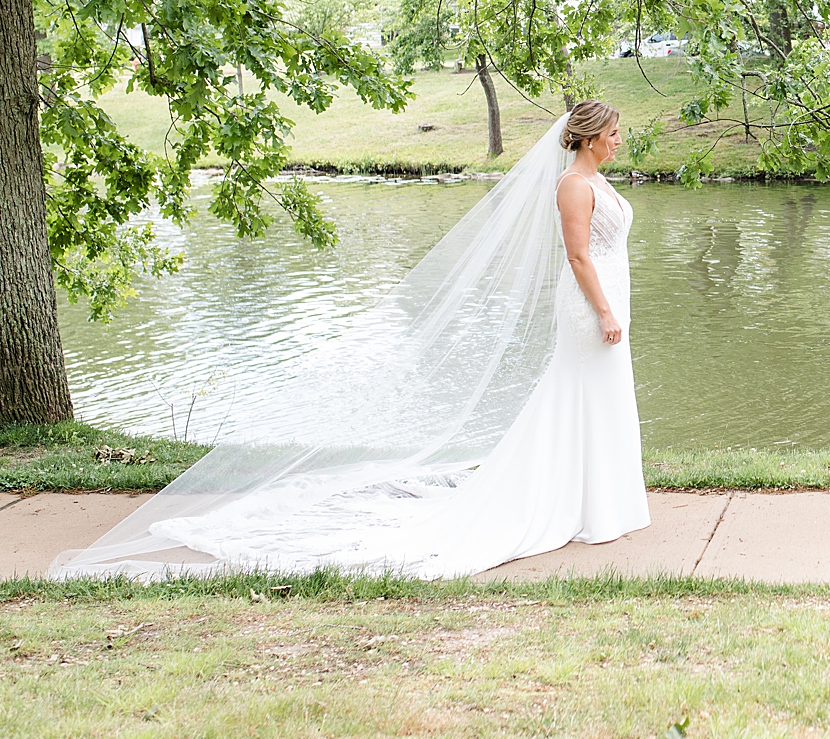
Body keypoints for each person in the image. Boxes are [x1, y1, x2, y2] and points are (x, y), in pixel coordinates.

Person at [52, 102, 650, 580]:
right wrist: (602, 309)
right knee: (576, 394)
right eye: (615, 132)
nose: (620, 139)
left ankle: (597, 499)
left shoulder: (597, 180)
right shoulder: (573, 185)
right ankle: (572, 502)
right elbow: (576, 255)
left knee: (599, 396)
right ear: (591, 136)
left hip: (607, 300)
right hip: (588, 306)